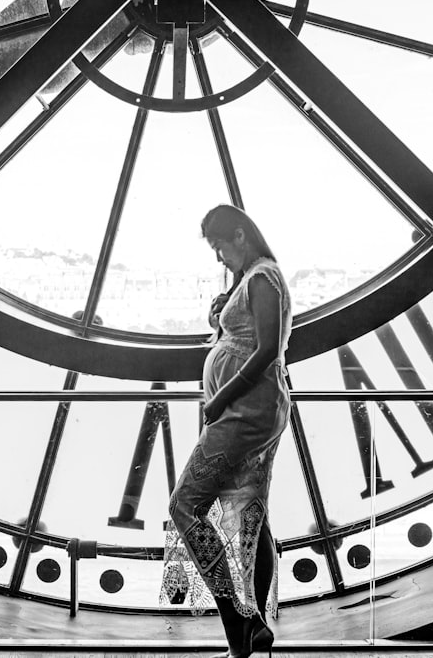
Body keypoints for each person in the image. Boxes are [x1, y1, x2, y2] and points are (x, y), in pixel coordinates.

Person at [161, 204, 292, 657]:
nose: (218, 257)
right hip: (255, 413)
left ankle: (237, 616)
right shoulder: (261, 277)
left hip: (243, 414)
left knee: (185, 507)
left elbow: (267, 350)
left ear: (239, 235)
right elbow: (252, 339)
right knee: (251, 515)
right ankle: (248, 634)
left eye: (219, 246)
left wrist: (219, 398)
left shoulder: (260, 278)